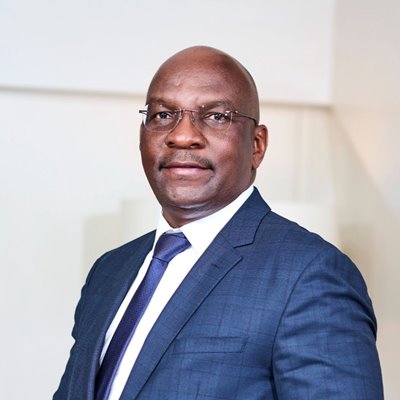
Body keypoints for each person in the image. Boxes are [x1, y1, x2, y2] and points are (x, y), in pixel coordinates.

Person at [54, 46, 383, 399]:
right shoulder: (109, 270)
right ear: (141, 136)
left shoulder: (309, 274)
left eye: (215, 116)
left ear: (256, 145)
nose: (182, 136)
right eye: (163, 114)